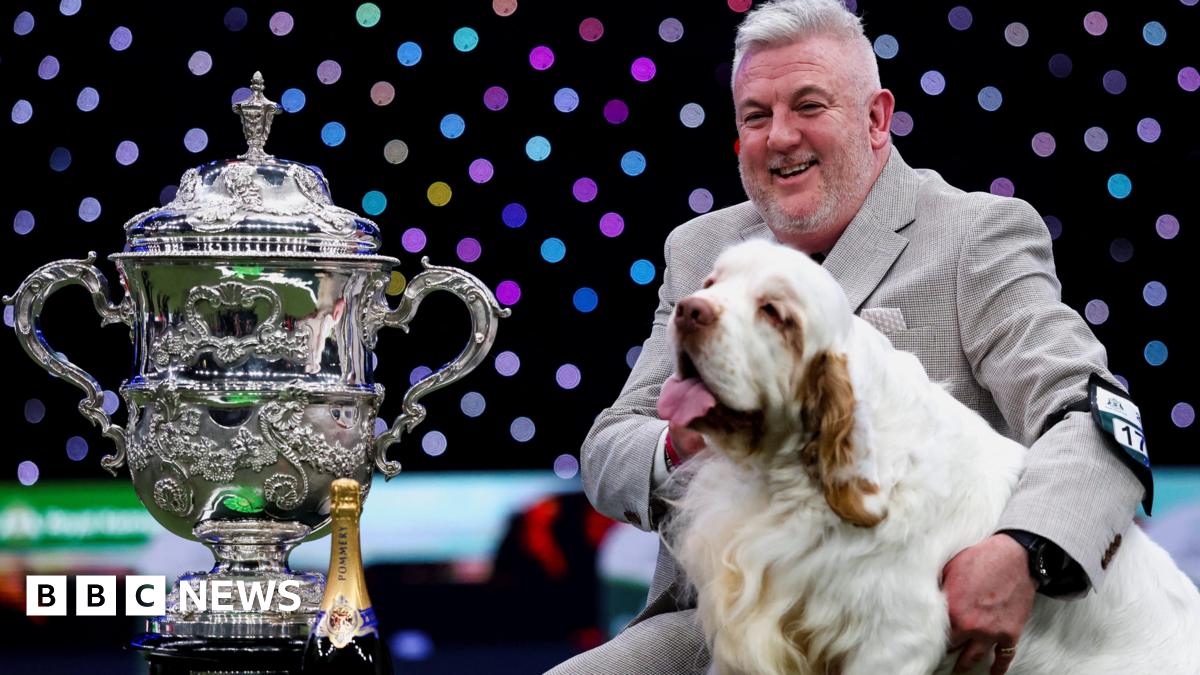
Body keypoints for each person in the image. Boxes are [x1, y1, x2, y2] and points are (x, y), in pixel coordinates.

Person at [546, 1, 1146, 673]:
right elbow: (608, 448)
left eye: (808, 106)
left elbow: (1091, 418)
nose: (780, 136)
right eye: (755, 116)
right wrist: (688, 436)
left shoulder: (975, 234)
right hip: (721, 619)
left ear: (876, 118)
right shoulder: (701, 248)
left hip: (920, 620)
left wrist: (1021, 552)